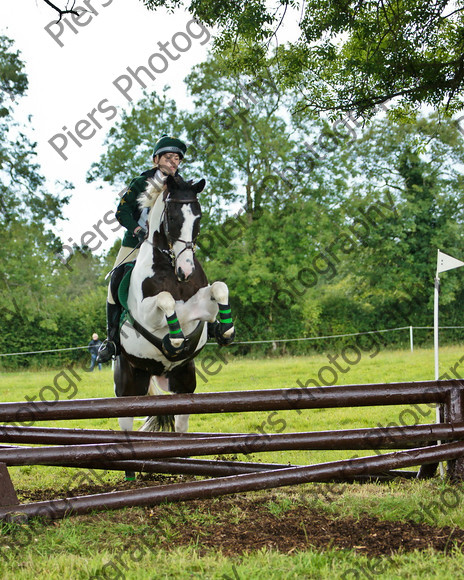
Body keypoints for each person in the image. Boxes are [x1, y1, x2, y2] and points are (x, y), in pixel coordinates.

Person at [96, 135, 187, 363]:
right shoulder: (139, 182)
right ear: (156, 159)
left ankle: (208, 322)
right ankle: (112, 340)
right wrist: (137, 229)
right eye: (168, 158)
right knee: (115, 281)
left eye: (177, 159)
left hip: (170, 247)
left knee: (191, 270)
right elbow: (122, 212)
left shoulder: (180, 185)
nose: (173, 163)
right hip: (137, 244)